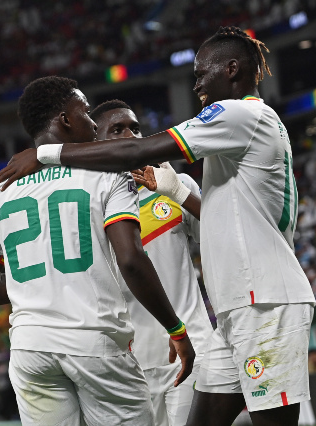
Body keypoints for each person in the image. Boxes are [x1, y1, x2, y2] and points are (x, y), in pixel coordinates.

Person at [0, 26, 316, 426]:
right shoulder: (233, 138)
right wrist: (175, 189)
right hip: (232, 313)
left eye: (201, 73)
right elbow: (223, 220)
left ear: (231, 69)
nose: (196, 83)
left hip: (264, 302)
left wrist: (47, 154)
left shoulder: (239, 113)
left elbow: (140, 149)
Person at [0, 76, 195, 425]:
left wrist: (42, 286)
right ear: (65, 120)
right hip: (94, 339)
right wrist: (176, 329)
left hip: (30, 347)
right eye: (87, 113)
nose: (92, 122)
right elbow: (131, 260)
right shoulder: (107, 176)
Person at [91, 100, 213, 426]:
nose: (131, 134)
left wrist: (176, 191)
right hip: (130, 366)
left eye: (135, 127)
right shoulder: (91, 208)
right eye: (117, 129)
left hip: (192, 348)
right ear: (95, 144)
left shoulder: (176, 186)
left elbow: (220, 234)